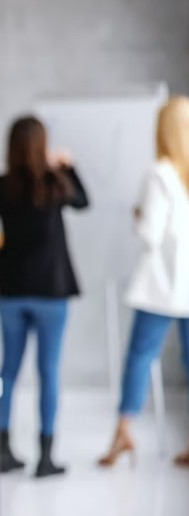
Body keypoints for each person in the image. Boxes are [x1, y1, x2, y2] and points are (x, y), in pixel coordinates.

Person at [0, 115, 88, 478]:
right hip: (52, 292)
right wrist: (70, 165)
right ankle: (45, 456)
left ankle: (2, 450)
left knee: (8, 370)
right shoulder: (55, 181)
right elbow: (84, 201)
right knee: (48, 372)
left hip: (11, 292)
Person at [98, 96, 189, 468]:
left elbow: (151, 234)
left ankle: (124, 432)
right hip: (185, 284)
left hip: (162, 288)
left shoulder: (159, 173)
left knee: (138, 357)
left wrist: (138, 215)